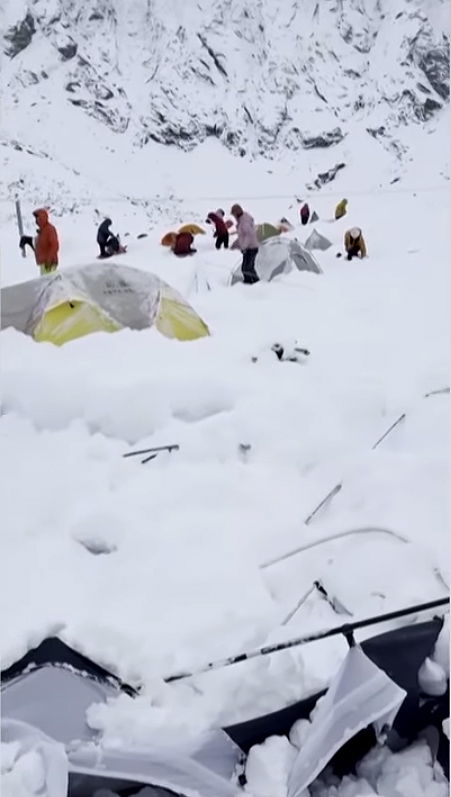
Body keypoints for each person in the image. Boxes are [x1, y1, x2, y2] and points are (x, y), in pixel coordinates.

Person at [19, 208, 59, 275]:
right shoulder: (42, 231)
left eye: (37, 217)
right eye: (35, 218)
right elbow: (40, 245)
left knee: (48, 283)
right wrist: (28, 240)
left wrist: (49, 260)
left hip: (49, 264)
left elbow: (55, 245)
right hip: (44, 263)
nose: (36, 220)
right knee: (45, 283)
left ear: (42, 218)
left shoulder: (49, 229)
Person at [230, 204, 259, 284]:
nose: (233, 216)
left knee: (246, 268)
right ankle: (252, 282)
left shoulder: (244, 222)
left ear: (236, 213)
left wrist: (244, 247)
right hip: (250, 247)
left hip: (251, 248)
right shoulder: (242, 220)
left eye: (233, 214)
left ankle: (252, 283)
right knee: (248, 268)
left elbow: (249, 235)